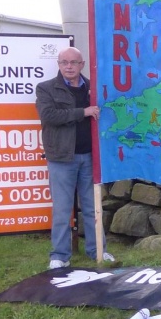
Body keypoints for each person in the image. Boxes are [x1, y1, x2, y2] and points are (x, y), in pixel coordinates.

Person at [36, 46, 116, 269]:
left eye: (74, 62)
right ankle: (60, 256)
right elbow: (49, 115)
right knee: (62, 209)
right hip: (61, 158)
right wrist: (83, 111)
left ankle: (97, 250)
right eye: (64, 62)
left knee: (92, 207)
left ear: (82, 64)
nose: (69, 66)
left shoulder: (94, 88)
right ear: (59, 64)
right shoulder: (46, 89)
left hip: (90, 157)